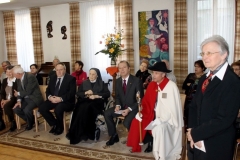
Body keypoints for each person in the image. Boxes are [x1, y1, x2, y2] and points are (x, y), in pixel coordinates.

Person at [187, 35, 240, 160]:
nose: (204, 57)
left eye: (209, 53)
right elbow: (194, 106)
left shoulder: (232, 82)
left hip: (217, 142)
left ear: (224, 54)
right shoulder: (204, 79)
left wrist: (196, 133)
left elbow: (224, 119)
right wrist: (192, 132)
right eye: (203, 53)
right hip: (197, 140)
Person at [127, 62, 183, 160]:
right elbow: (146, 101)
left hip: (167, 119)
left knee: (158, 128)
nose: (153, 75)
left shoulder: (171, 86)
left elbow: (173, 109)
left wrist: (162, 119)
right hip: (151, 113)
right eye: (153, 72)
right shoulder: (152, 85)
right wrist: (140, 112)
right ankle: (143, 143)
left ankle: (160, 153)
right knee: (136, 121)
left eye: (156, 73)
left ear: (163, 74)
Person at [104, 60, 144, 146]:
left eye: (124, 67)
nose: (122, 70)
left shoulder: (136, 81)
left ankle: (135, 138)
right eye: (120, 68)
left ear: (129, 69)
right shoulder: (118, 81)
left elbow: (140, 100)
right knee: (107, 113)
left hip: (133, 108)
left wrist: (129, 109)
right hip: (122, 107)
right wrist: (117, 105)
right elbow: (117, 97)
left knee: (126, 122)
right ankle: (114, 136)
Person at [67, 68, 110, 144]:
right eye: (90, 74)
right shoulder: (84, 83)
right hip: (85, 101)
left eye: (93, 74)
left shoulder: (102, 83)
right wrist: (85, 92)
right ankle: (77, 133)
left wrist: (96, 96)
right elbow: (78, 93)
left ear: (97, 75)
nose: (91, 76)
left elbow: (107, 94)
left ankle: (86, 133)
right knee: (78, 109)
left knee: (87, 109)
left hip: (96, 102)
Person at [38, 63, 76, 135]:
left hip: (66, 101)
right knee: (42, 107)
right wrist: (50, 97)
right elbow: (48, 90)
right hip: (53, 99)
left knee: (58, 109)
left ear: (64, 70)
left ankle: (60, 127)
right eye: (57, 70)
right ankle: (55, 124)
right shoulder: (52, 77)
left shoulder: (71, 79)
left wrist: (60, 99)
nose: (58, 72)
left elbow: (71, 93)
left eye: (61, 70)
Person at [12, 66, 43, 130]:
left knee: (27, 110)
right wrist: (19, 101)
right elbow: (19, 90)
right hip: (25, 98)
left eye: (14, 74)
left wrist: (18, 93)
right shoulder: (18, 79)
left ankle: (30, 123)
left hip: (34, 98)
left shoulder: (30, 77)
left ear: (18, 73)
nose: (13, 76)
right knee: (16, 109)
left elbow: (29, 91)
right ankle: (32, 121)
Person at [0, 66, 17, 131]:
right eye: (7, 72)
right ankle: (1, 122)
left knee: (7, 106)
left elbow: (16, 94)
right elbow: (2, 93)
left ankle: (13, 122)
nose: (8, 73)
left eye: (10, 72)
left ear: (13, 72)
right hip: (6, 99)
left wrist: (7, 100)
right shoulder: (4, 81)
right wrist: (2, 100)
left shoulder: (17, 80)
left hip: (14, 99)